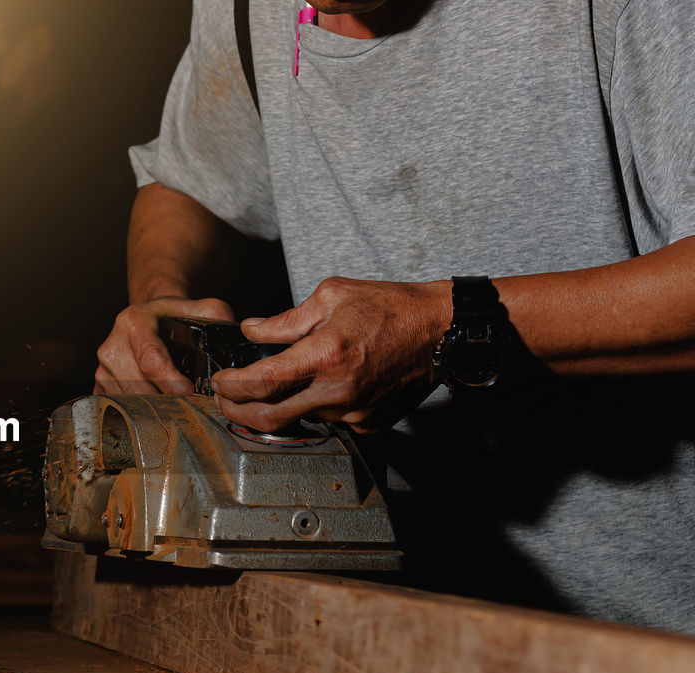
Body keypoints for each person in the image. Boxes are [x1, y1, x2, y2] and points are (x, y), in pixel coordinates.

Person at [94, 0, 695, 632]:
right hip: (386, 623)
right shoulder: (246, 10)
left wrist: (448, 327)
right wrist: (161, 299)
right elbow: (188, 181)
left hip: (652, 635)